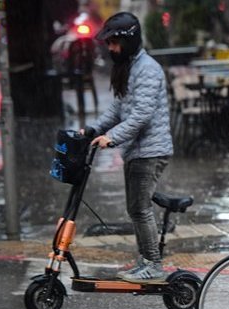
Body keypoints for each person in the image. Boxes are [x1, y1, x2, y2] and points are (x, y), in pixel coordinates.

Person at [81, 12, 174, 283]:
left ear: (129, 40)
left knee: (141, 208)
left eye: (114, 43)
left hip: (150, 150)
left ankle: (153, 265)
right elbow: (119, 107)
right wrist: (93, 130)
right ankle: (145, 260)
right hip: (137, 150)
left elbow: (141, 114)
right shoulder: (131, 67)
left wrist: (113, 137)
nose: (110, 48)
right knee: (136, 208)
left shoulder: (147, 69)